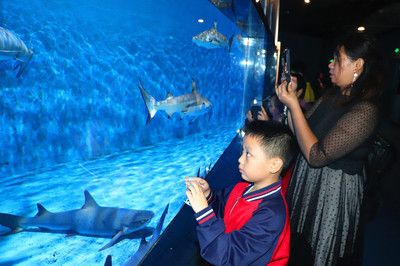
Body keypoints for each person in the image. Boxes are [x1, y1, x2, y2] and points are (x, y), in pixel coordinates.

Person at [275, 33, 383, 265]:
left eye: (337, 59)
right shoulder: (332, 95)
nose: (330, 64)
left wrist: (294, 105)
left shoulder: (366, 111)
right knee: (298, 243)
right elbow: (302, 130)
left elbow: (317, 155)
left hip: (334, 189)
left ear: (358, 65)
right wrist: (292, 101)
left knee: (320, 250)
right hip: (309, 180)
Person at [185, 120, 296, 265]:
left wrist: (203, 212)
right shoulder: (240, 188)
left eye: (248, 154)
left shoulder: (272, 214)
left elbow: (229, 256)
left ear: (274, 164)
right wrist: (208, 196)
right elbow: (223, 209)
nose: (240, 159)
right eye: (243, 151)